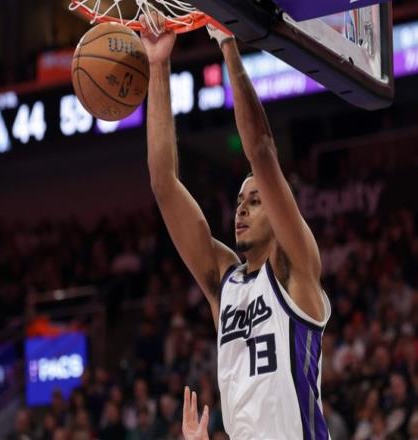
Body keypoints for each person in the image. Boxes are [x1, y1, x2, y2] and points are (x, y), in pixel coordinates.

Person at [140, 13, 331, 440]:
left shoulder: (295, 268)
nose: (241, 210)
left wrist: (228, 44)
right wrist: (158, 65)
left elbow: (261, 151)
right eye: (240, 202)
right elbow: (164, 185)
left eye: (256, 201)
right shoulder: (224, 283)